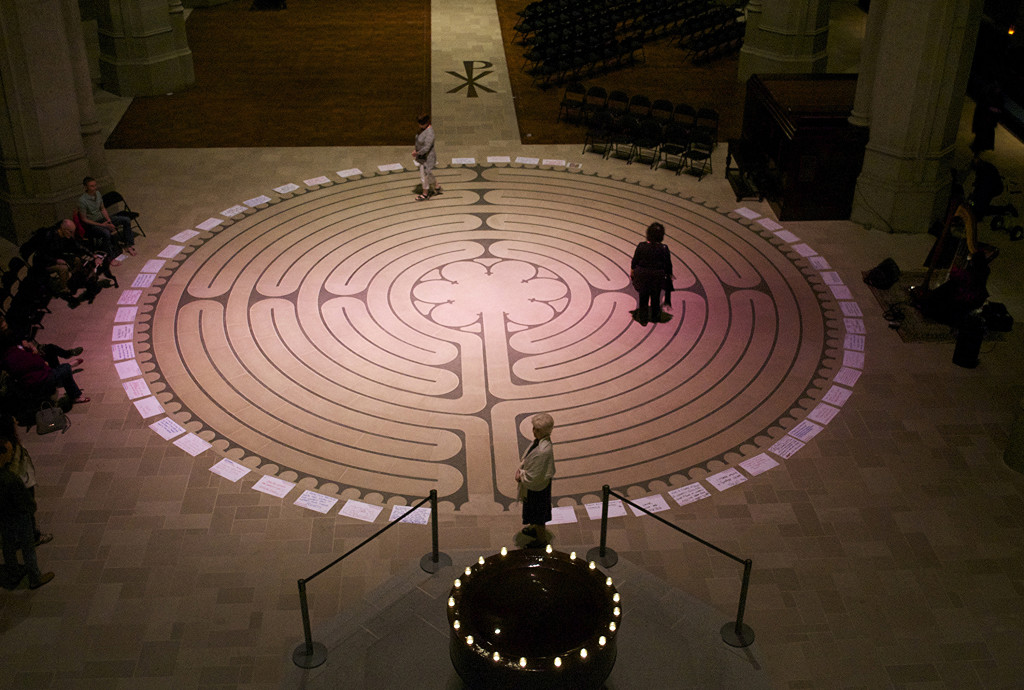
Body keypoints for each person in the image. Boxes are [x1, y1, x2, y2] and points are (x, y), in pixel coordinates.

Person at [0, 430, 54, 589]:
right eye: (9, 452)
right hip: (19, 516)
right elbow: (25, 501)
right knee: (28, 546)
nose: (11, 455)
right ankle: (35, 577)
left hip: (4, 517)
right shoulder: (10, 479)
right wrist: (31, 508)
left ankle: (13, 572)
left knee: (8, 544)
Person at [0, 415, 51, 546]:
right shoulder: (9, 447)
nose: (16, 421)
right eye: (13, 421)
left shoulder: (8, 444)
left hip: (17, 483)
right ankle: (31, 537)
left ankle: (18, 538)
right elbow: (15, 468)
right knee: (25, 513)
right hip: (22, 483)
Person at [1, 334, 89, 406]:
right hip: (39, 382)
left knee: (50, 349)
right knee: (65, 369)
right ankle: (76, 396)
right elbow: (40, 363)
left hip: (33, 379)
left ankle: (67, 360)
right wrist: (32, 351)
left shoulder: (7, 357)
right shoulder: (18, 355)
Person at [515, 413, 555, 546]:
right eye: (534, 428)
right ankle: (534, 529)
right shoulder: (541, 441)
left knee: (538, 515)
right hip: (538, 485)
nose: (533, 431)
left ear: (545, 431)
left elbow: (534, 476)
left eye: (537, 430)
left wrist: (520, 476)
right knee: (532, 511)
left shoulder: (542, 451)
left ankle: (541, 541)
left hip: (537, 488)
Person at [78, 176, 136, 258]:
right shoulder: (82, 201)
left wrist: (109, 221)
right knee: (106, 233)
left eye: (95, 185)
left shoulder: (97, 194)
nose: (95, 188)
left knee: (126, 219)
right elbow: (84, 219)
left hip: (103, 219)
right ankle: (111, 257)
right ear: (86, 187)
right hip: (93, 224)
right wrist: (103, 225)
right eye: (92, 186)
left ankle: (128, 245)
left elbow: (102, 209)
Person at [630, 222, 674, 325]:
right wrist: (669, 276)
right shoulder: (664, 248)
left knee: (643, 297)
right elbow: (668, 264)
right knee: (655, 297)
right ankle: (655, 317)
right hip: (657, 277)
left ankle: (643, 318)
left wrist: (632, 273)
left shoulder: (641, 246)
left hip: (642, 276)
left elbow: (634, 261)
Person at [412, 114, 441, 200]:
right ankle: (437, 186)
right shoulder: (423, 129)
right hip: (422, 156)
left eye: (420, 124)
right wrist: (416, 150)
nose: (419, 125)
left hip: (427, 158)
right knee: (428, 173)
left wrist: (417, 153)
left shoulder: (430, 133)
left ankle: (425, 194)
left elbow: (426, 148)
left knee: (424, 175)